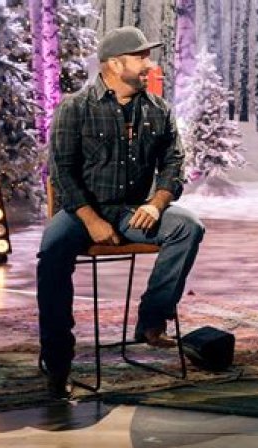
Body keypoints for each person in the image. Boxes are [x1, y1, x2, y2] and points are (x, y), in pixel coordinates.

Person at [37, 26, 205, 399]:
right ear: (114, 64)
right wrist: (92, 220)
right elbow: (62, 174)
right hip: (82, 212)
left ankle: (152, 320)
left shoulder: (158, 110)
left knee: (188, 227)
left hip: (133, 212)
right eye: (140, 57)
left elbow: (174, 165)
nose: (149, 64)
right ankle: (58, 361)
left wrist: (156, 204)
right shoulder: (75, 107)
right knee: (52, 251)